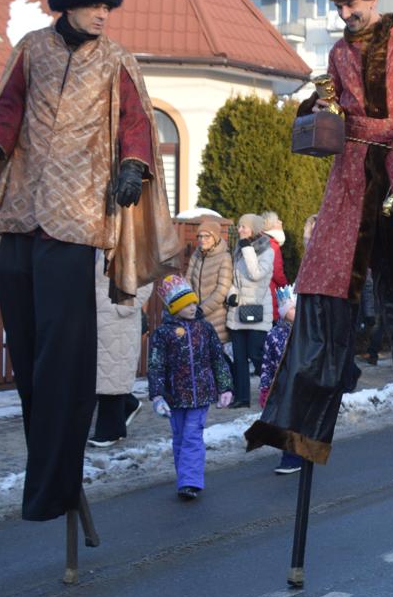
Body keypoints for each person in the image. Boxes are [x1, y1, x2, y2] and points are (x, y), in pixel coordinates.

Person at [0, 0, 179, 546]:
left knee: (64, 347)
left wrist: (134, 165)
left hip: (78, 215)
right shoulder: (31, 49)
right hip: (21, 210)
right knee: (28, 350)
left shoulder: (115, 60)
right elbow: (6, 107)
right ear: (68, 8)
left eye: (108, 7)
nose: (103, 15)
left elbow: (136, 121)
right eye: (93, 6)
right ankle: (47, 467)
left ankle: (56, 478)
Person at [245, 0, 393, 470]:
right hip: (351, 177)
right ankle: (299, 429)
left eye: (352, 5)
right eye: (339, 8)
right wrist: (315, 110)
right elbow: (336, 106)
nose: (346, 15)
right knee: (324, 291)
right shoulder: (339, 52)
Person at [149, 275, 233, 499]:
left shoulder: (204, 329)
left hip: (201, 394)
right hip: (175, 396)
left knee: (192, 435)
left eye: (194, 302)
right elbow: (156, 366)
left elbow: (218, 358)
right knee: (179, 436)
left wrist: (225, 387)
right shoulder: (163, 334)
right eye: (186, 304)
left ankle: (190, 482)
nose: (192, 307)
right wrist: (157, 396)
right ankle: (184, 477)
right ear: (175, 307)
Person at [90, 253, 154, 447]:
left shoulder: (132, 244)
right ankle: (129, 404)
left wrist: (123, 307)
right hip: (97, 318)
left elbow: (146, 280)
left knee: (113, 373)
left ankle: (111, 430)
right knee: (100, 374)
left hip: (118, 321)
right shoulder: (99, 246)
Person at [226, 213, 274, 408]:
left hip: (258, 311)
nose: (239, 230)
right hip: (238, 312)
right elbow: (234, 278)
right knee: (239, 357)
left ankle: (274, 388)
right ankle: (242, 398)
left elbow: (256, 275)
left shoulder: (267, 251)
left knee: (256, 354)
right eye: (239, 226)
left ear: (253, 228)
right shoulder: (239, 249)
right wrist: (231, 293)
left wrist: (246, 247)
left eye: (243, 227)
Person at [259, 286, 301, 474]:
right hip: (282, 385)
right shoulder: (274, 335)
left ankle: (294, 457)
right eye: (292, 309)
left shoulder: (306, 333)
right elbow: (267, 363)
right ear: (283, 312)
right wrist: (265, 387)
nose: (296, 313)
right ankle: (291, 456)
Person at [186, 218, 234, 344]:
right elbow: (188, 280)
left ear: (215, 238)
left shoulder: (224, 257)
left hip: (216, 319)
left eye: (207, 236)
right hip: (194, 315)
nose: (202, 240)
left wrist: (202, 309)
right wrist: (190, 306)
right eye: (200, 236)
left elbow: (222, 290)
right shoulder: (196, 255)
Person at [261, 211, 289, 323]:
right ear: (271, 225)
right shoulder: (272, 244)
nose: (281, 222)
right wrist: (285, 287)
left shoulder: (260, 241)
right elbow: (277, 272)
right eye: (277, 221)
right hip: (270, 291)